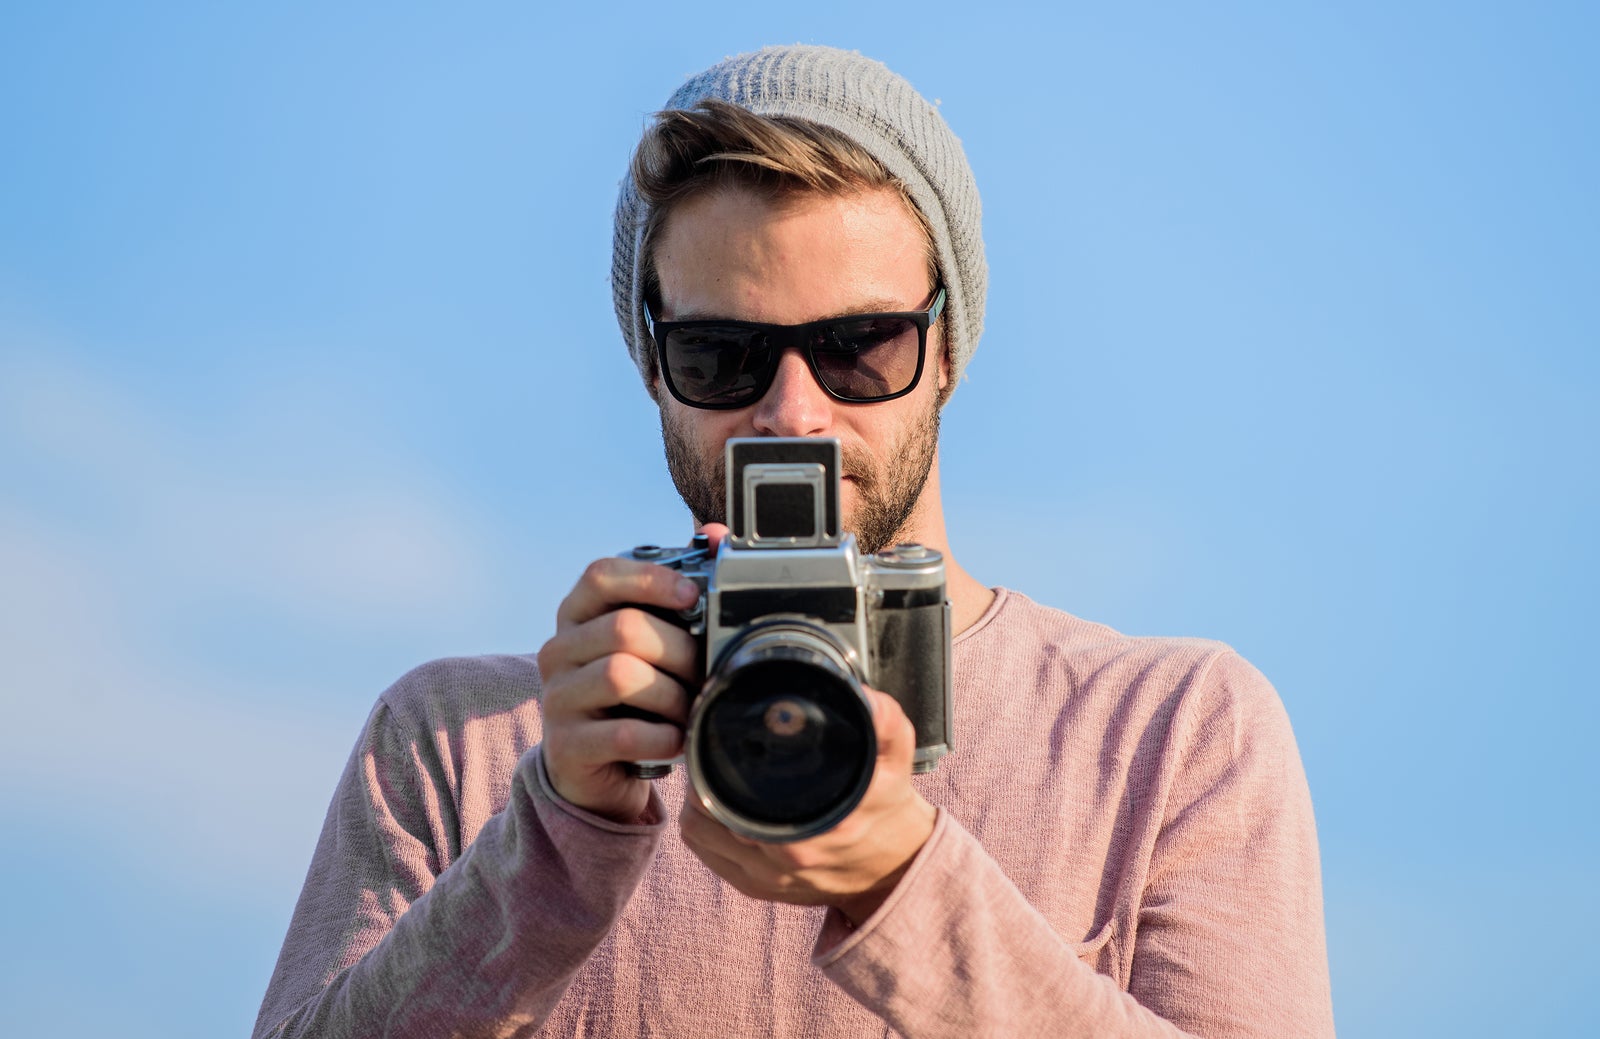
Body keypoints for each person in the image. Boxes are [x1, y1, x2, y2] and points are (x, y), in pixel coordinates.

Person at [254, 45, 1334, 1038]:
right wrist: (552, 833)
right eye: (723, 355)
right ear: (652, 364)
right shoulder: (463, 743)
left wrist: (909, 886)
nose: (792, 415)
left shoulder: (1170, 734)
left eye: (859, 347)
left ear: (946, 346)